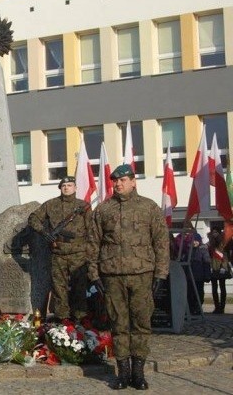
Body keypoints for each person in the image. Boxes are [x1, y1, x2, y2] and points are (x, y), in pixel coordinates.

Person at [88, 164, 169, 390]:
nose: (118, 184)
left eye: (123, 180)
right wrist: (94, 275)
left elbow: (161, 243)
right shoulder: (103, 210)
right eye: (115, 180)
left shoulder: (149, 208)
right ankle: (122, 372)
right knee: (118, 323)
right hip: (112, 276)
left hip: (142, 274)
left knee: (141, 323)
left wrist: (161, 274)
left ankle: (138, 373)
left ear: (133, 181)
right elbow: (93, 244)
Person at [28, 175, 92, 321]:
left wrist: (90, 251)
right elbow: (33, 218)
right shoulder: (50, 205)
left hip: (79, 253)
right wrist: (44, 233)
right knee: (59, 289)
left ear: (75, 188)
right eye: (63, 186)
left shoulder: (84, 206)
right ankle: (62, 319)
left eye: (69, 185)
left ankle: (80, 320)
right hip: (58, 253)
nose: (66, 188)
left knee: (79, 288)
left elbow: (91, 229)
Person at [186, 233, 211, 315]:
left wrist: (207, 276)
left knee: (199, 292)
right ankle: (191, 308)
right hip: (190, 276)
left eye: (196, 241)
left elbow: (207, 263)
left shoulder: (203, 250)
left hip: (199, 276)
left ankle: (198, 307)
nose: (194, 242)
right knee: (190, 293)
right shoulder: (188, 250)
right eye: (193, 240)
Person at [208, 227, 231, 314]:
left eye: (216, 232)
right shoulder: (210, 243)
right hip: (213, 266)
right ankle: (216, 307)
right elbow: (209, 254)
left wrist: (223, 266)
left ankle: (222, 307)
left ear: (219, 233)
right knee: (214, 288)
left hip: (222, 265)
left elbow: (225, 255)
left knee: (222, 287)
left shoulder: (223, 242)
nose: (214, 234)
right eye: (213, 232)